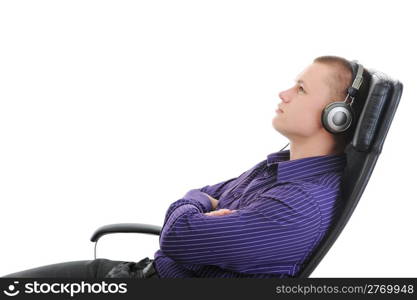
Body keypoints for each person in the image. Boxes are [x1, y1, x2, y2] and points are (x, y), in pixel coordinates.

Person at [2, 55, 370, 278]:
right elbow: (205, 196)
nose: (284, 94)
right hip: (138, 273)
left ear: (336, 117)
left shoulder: (298, 207)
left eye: (301, 89)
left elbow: (177, 236)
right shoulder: (280, 167)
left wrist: (194, 213)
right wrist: (198, 206)